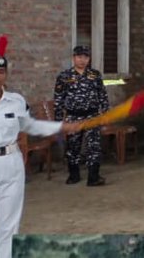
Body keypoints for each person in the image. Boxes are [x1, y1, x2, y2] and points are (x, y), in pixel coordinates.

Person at [0, 37, 80, 258]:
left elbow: (31, 126)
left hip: (11, 163)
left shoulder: (16, 101)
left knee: (9, 226)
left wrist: (61, 126)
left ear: (6, 75)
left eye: (0, 72)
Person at [53, 44, 109, 186]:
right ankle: (74, 175)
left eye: (85, 57)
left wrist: (105, 113)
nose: (82, 60)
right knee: (73, 148)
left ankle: (93, 177)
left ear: (89, 59)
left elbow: (102, 95)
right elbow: (58, 99)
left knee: (94, 148)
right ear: (73, 58)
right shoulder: (64, 76)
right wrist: (59, 121)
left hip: (92, 116)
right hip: (73, 117)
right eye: (79, 57)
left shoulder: (95, 75)